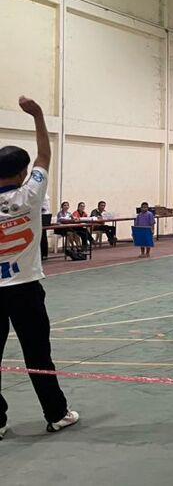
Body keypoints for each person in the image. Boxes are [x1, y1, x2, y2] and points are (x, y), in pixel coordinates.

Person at [0, 96, 79, 439]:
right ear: (22, 173)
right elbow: (44, 155)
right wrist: (37, 116)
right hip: (24, 288)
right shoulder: (30, 194)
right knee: (37, 355)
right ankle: (56, 414)